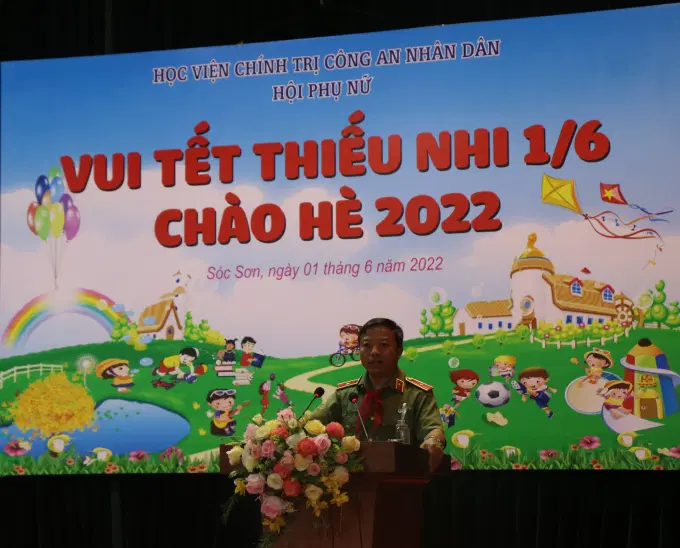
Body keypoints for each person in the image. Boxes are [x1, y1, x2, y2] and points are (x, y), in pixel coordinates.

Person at [311, 317, 446, 472]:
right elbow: (312, 425)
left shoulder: (418, 394)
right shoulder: (345, 394)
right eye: (366, 345)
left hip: (402, 480)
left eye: (383, 345)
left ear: (399, 350)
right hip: (350, 482)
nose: (374, 352)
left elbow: (433, 430)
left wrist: (433, 441)